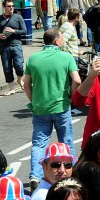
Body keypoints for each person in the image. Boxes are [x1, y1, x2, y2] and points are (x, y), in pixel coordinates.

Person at [24, 29, 80, 188]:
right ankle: (69, 174)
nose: (63, 42)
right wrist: (70, 95)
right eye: (61, 39)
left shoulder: (33, 58)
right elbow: (76, 80)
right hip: (61, 106)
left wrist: (33, 101)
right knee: (66, 142)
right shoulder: (66, 57)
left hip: (40, 108)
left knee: (39, 144)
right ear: (56, 41)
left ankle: (35, 176)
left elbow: (26, 84)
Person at [0, 0, 28, 96]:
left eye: (12, 6)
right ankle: (11, 88)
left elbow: (24, 31)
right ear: (4, 7)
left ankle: (19, 79)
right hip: (4, 46)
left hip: (16, 44)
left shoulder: (18, 17)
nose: (11, 7)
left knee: (19, 66)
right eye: (9, 6)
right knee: (7, 68)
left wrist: (14, 31)